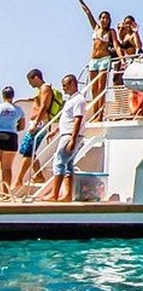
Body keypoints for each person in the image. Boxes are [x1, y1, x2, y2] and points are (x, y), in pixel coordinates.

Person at [11, 69, 63, 194]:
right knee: (28, 150)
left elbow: (44, 106)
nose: (29, 84)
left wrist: (35, 122)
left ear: (36, 78)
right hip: (38, 123)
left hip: (39, 124)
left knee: (28, 151)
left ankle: (18, 180)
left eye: (30, 81)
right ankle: (39, 175)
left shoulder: (45, 88)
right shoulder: (40, 91)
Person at [78, 0, 123, 120]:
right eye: (102, 18)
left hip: (104, 59)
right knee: (93, 88)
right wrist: (81, 1)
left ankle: (100, 114)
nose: (104, 20)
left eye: (107, 18)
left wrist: (121, 58)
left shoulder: (111, 31)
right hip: (93, 60)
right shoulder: (96, 28)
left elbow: (116, 45)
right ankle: (95, 112)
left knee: (101, 87)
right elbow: (88, 13)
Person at [45, 74, 86, 202]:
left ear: (72, 84)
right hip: (67, 133)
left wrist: (73, 139)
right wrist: (56, 131)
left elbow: (77, 120)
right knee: (68, 165)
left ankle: (54, 194)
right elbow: (67, 119)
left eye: (65, 85)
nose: (63, 88)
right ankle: (67, 195)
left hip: (70, 135)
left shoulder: (78, 100)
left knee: (58, 162)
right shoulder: (71, 100)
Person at [0, 86, 25, 194]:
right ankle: (5, 193)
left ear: (3, 95)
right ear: (13, 96)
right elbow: (22, 126)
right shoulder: (19, 110)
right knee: (7, 167)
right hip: (11, 137)